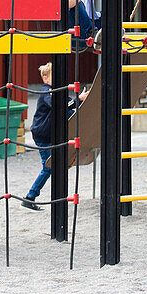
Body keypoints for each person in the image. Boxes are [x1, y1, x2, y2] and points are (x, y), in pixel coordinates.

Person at [21, 62, 89, 210]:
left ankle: (45, 197)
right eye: (54, 76)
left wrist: (80, 105)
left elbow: (68, 109)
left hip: (52, 135)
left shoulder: (58, 92)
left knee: (55, 166)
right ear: (45, 78)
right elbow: (60, 107)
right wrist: (78, 100)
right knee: (49, 167)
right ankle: (29, 197)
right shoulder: (46, 91)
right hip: (43, 135)